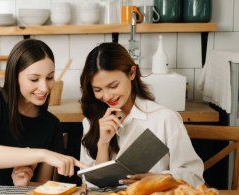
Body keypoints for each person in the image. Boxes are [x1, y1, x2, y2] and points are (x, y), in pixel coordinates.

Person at [79, 42, 204, 187]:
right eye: (97, 89)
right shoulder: (91, 121)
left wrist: (158, 179)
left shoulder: (164, 119)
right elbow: (89, 186)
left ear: (132, 73)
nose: (106, 96)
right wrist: (103, 143)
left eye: (113, 86)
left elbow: (194, 177)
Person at [0, 39, 85, 186]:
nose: (45, 88)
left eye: (50, 77)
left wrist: (23, 185)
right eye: (34, 79)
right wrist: (43, 154)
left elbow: (42, 186)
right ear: (14, 77)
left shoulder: (51, 125)